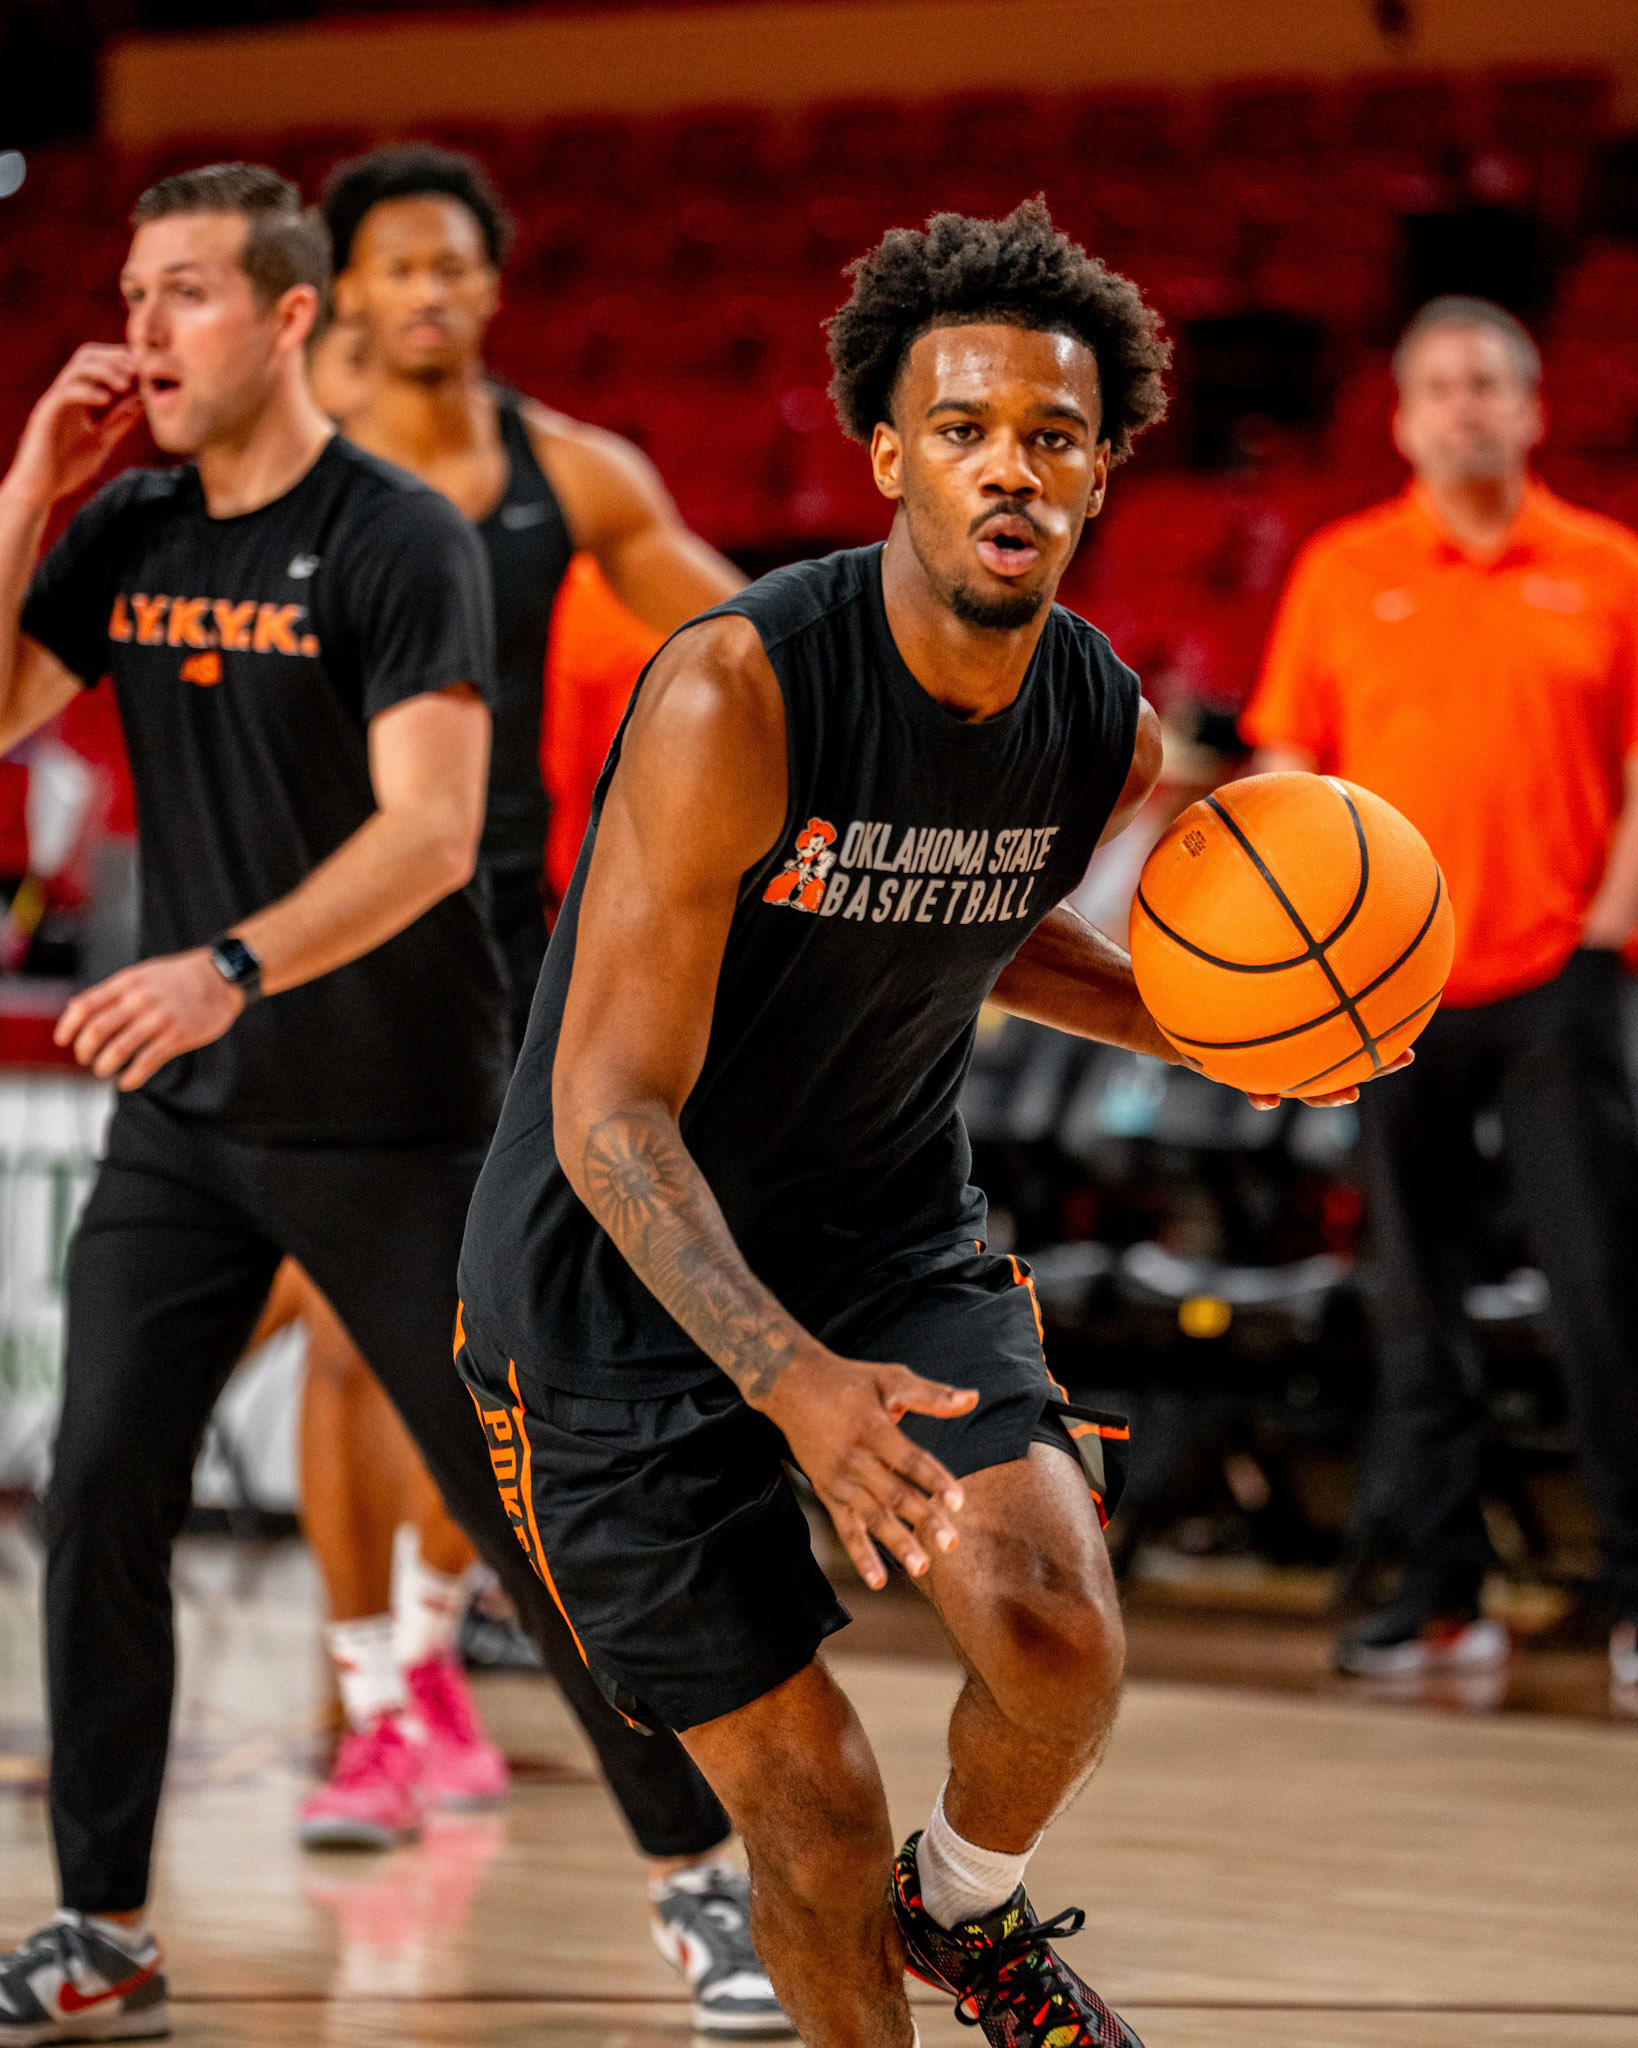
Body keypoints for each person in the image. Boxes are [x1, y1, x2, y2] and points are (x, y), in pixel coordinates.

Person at [454, 200, 1392, 2048]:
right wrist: (790, 1378)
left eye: (1051, 434)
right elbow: (608, 1108)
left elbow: (972, 908)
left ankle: (961, 1917)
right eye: (959, 430)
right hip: (606, 1278)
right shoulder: (740, 690)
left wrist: (1206, 1028)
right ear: (887, 457)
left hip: (882, 1227)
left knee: (1056, 1636)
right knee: (805, 1806)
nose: (1007, 469)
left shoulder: (1095, 726)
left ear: (1106, 468)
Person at [0, 162, 735, 2045]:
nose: (140, 332)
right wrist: (27, 498)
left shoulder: (402, 534)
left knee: (527, 1518)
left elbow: (425, 840)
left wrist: (221, 961)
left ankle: (701, 1877)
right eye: (130, 293)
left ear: (287, 313)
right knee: (95, 1496)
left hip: (405, 1110)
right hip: (192, 1124)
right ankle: (100, 1926)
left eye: (183, 297)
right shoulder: (128, 522)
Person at [267, 145, 776, 2026]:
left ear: (491, 286)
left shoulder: (573, 473)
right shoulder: (274, 453)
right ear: (337, 288)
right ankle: (382, 1699)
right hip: (301, 937)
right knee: (335, 1329)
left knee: (439, 1332)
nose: (430, 291)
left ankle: (412, 1686)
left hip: (492, 951)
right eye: (395, 262)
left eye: (455, 265)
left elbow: (749, 649)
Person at [1243, 295, 1638, 1691]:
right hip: (1386, 993)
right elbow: (1287, 770)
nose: (1465, 406)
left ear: (1532, 409)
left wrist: (1603, 930)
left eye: (1488, 384)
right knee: (1415, 1303)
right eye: (1438, 387)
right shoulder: (1342, 572)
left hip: (1560, 980)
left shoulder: (1608, 567)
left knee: (1605, 1296)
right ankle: (1438, 1597)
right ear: (1402, 419)